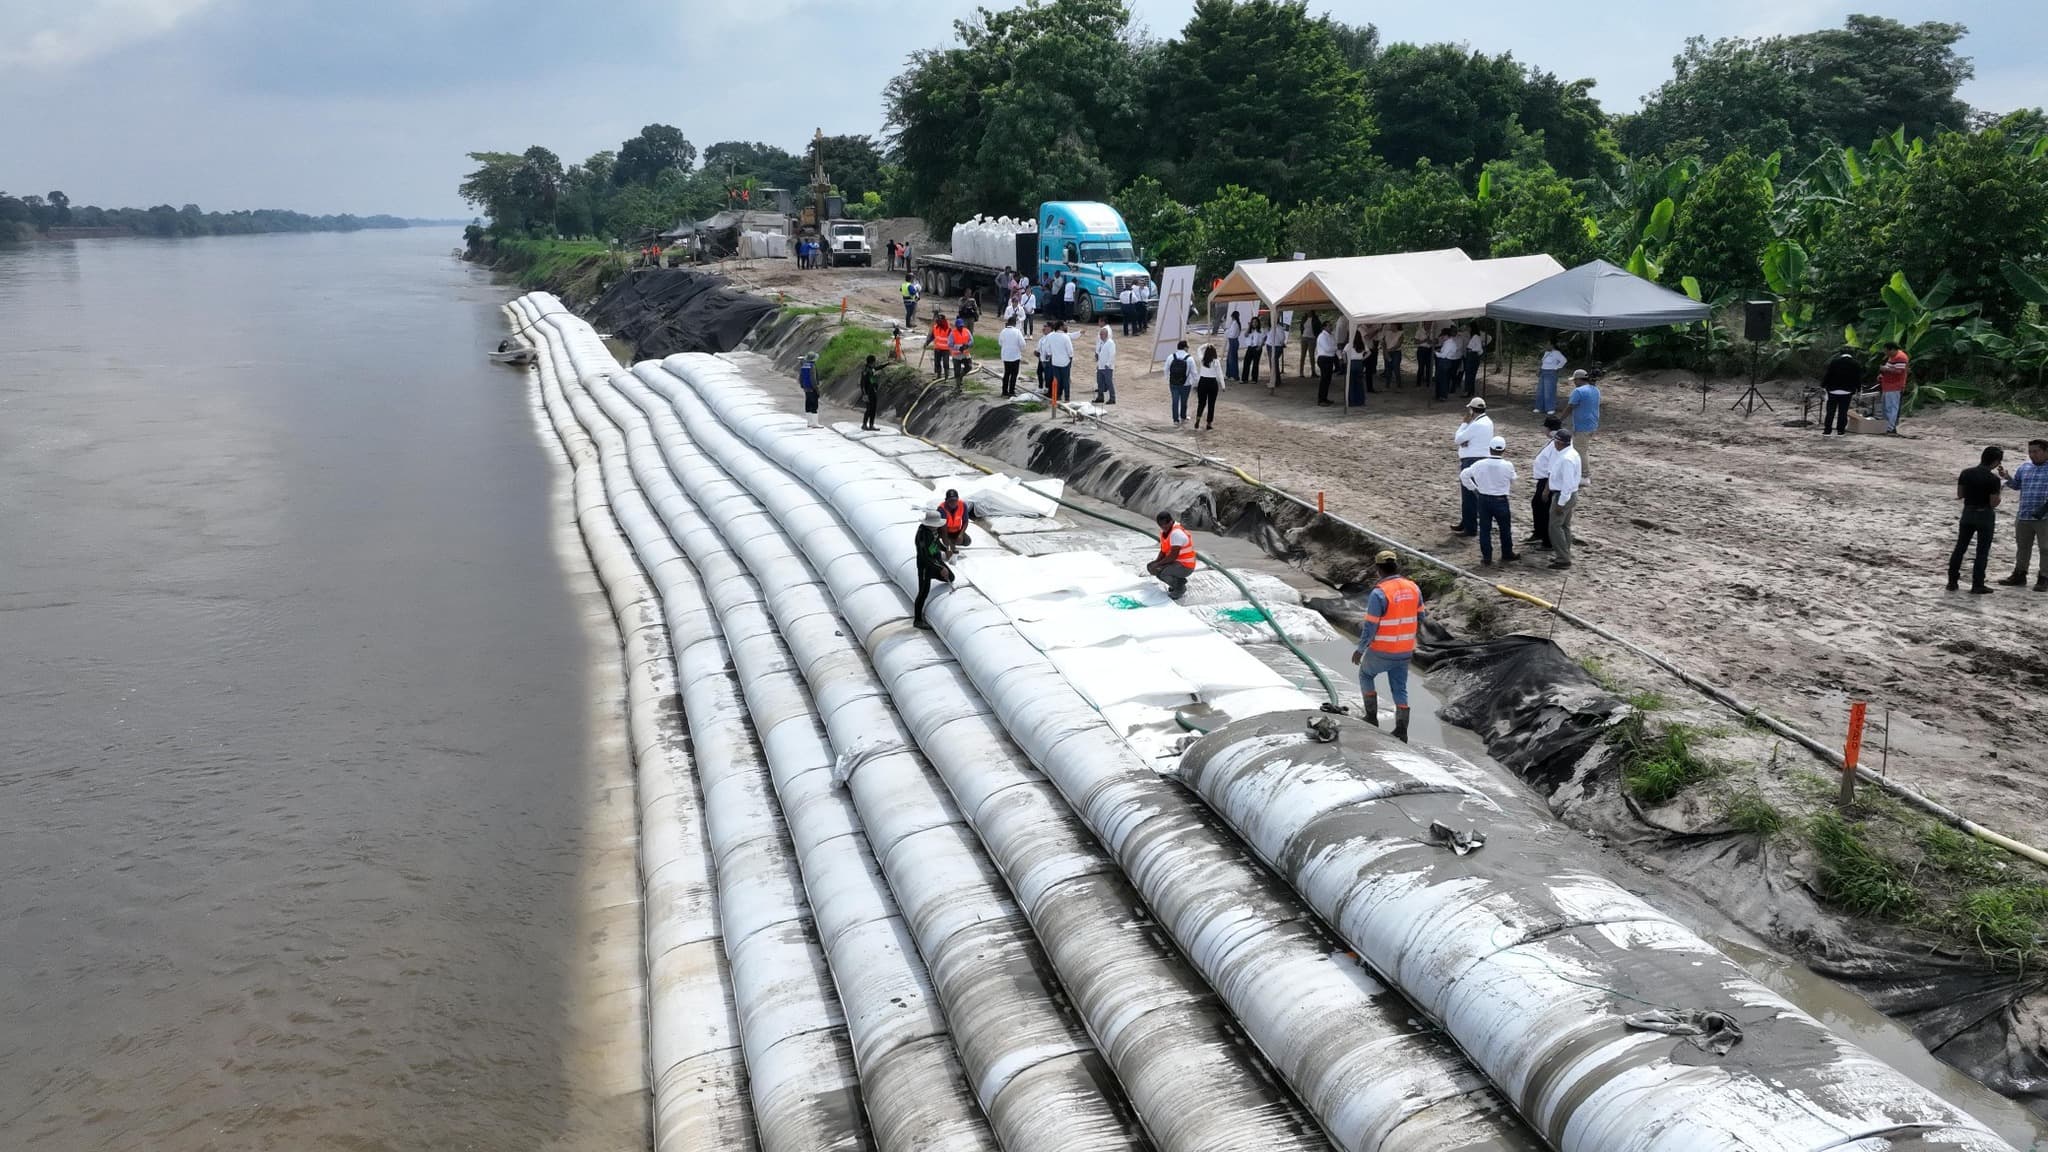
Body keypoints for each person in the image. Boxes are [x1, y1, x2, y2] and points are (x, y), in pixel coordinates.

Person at [1348, 550, 1425, 742]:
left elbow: (1370, 626)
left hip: (1382, 650)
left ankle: (1371, 717)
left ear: (1378, 569)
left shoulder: (1379, 593)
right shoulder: (1413, 588)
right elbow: (1421, 617)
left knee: (1366, 674)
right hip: (1405, 650)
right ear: (1396, 566)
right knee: (1399, 688)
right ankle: (1401, 730)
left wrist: (1360, 650)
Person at [1951, 446, 2005, 593]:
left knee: (1960, 548)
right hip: (1984, 514)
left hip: (1968, 512)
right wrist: (2000, 493)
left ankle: (1952, 581)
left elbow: (1960, 494)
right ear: (1995, 462)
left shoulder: (1966, 473)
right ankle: (1977, 584)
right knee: (1982, 551)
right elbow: (1993, 502)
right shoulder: (1993, 479)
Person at [1460, 436, 1518, 566]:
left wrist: (1474, 489)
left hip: (1484, 499)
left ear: (1490, 449)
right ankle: (1507, 553)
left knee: (1485, 529)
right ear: (1504, 450)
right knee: (1505, 528)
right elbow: (1513, 479)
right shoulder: (1508, 465)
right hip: (1501, 500)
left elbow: (1464, 475)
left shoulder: (1479, 464)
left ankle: (1487, 557)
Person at [1998, 439, 2048, 589]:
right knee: (2023, 546)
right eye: (2030, 451)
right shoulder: (2025, 467)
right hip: (2024, 514)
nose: (2032, 455)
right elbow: (2017, 485)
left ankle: (2044, 577)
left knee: (2046, 548)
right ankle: (2019, 574)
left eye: (2036, 451)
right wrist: (2007, 477)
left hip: (2045, 516)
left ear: (2046, 451)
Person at [1452, 398, 1494, 536]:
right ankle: (1466, 522)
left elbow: (1458, 439)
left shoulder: (1476, 424)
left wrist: (1464, 424)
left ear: (1472, 410)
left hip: (1471, 461)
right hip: (1479, 459)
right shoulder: (1486, 422)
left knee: (1468, 495)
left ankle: (1470, 527)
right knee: (1471, 494)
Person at [1525, 416, 1563, 550]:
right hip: (1544, 480)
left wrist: (1547, 488)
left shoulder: (1555, 444)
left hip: (1547, 481)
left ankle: (1547, 540)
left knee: (1544, 508)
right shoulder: (1554, 441)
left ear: (1548, 428)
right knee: (1537, 505)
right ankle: (1539, 532)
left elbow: (1552, 467)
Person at [1547, 430, 1583, 569]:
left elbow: (1567, 484)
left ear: (1560, 442)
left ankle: (1563, 558)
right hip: (1569, 494)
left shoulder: (1566, 459)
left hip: (1563, 496)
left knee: (1555, 527)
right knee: (1564, 526)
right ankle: (1565, 554)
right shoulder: (1571, 454)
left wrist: (1561, 503)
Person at [912, 510, 954, 629]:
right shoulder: (922, 535)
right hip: (926, 565)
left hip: (935, 561)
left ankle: (934, 574)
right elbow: (925, 556)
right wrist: (940, 568)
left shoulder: (933, 531)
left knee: (950, 577)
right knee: (923, 592)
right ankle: (918, 620)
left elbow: (936, 543)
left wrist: (945, 549)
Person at [1147, 511, 1197, 600]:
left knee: (1161, 573)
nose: (1163, 527)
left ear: (1171, 522)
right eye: (1161, 525)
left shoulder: (1176, 533)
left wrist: (1158, 564)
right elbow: (1163, 551)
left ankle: (1180, 588)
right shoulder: (1165, 532)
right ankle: (1178, 582)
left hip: (1185, 566)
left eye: (1165, 525)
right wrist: (1155, 562)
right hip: (1176, 562)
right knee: (1152, 567)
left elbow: (1172, 556)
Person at [1564, 369, 1601, 470]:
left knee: (1580, 451)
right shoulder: (1595, 390)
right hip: (1592, 424)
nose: (1574, 382)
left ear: (1580, 379)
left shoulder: (1578, 391)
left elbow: (1570, 407)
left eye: (1575, 380)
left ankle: (1584, 475)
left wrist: (1560, 419)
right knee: (1582, 449)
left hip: (1582, 425)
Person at [1820, 347, 1860, 436]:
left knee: (1830, 411)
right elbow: (1857, 378)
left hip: (1833, 390)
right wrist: (1858, 389)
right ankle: (1840, 431)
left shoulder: (1834, 362)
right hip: (1847, 391)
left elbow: (1828, 375)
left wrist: (1823, 386)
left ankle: (1827, 430)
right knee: (1843, 412)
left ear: (1840, 353)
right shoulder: (1855, 363)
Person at [1039, 320, 1074, 403]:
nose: (1066, 327)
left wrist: (1051, 354)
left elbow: (1047, 349)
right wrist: (1070, 358)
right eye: (1064, 325)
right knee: (1065, 380)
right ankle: (1067, 397)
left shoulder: (1051, 336)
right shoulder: (1065, 337)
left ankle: (1057, 396)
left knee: (1056, 380)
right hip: (1065, 361)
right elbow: (1070, 351)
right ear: (1061, 326)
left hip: (1055, 361)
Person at [1879, 342, 1910, 433]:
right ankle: (1886, 425)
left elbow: (1899, 371)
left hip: (1895, 386)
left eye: (1886, 351)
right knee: (1885, 407)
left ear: (1892, 349)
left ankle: (1890, 427)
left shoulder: (1900, 357)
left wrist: (1885, 369)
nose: (1886, 354)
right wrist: (1882, 375)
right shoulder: (1892, 357)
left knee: (1891, 407)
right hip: (1887, 385)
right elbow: (1890, 366)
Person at [1194, 343, 1224, 430]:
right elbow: (1220, 374)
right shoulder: (1216, 361)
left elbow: (1198, 349)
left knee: (1201, 403)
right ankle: (1209, 424)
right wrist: (1223, 385)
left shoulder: (1202, 360)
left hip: (1203, 382)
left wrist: (1206, 344)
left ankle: (1198, 419)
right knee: (1211, 404)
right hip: (1212, 383)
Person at [937, 488, 976, 553]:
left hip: (956, 531)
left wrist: (960, 535)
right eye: (950, 500)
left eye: (955, 500)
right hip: (943, 531)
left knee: (967, 541)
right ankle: (946, 542)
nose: (953, 503)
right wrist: (949, 547)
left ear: (958, 499)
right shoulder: (942, 509)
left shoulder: (963, 505)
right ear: (946, 500)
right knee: (945, 543)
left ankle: (951, 541)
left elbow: (965, 521)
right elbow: (943, 530)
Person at [1166, 339, 1194, 424]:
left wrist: (1168, 379)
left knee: (1175, 401)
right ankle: (1183, 416)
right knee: (1184, 401)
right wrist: (1195, 382)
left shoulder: (1171, 357)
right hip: (1186, 383)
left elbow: (1166, 369)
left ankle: (1175, 419)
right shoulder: (1189, 359)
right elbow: (1194, 372)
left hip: (1173, 383)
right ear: (1185, 348)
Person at [998, 315, 1025, 398]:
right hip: (1015, 356)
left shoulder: (1003, 331)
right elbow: (1023, 344)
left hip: (1006, 356)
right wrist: (1020, 349)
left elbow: (1000, 343)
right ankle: (1011, 391)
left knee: (1006, 373)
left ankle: (1004, 391)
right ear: (1015, 323)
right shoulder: (1017, 332)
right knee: (1014, 374)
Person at [1537, 340, 1567, 415]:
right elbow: (1543, 362)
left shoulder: (1557, 353)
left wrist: (1556, 368)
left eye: (1547, 344)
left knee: (1549, 391)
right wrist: (1539, 370)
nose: (1546, 346)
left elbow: (1564, 360)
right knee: (1540, 390)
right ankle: (1539, 407)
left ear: (1552, 345)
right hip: (1543, 372)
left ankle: (1550, 408)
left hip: (1551, 373)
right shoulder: (1546, 352)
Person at [1314, 320, 1340, 406]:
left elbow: (1333, 347)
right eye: (1329, 326)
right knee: (1324, 380)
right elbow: (1327, 348)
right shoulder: (1322, 336)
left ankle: (1324, 398)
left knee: (1327, 380)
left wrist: (1337, 352)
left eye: (1331, 325)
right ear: (1324, 327)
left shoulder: (1331, 336)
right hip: (1324, 358)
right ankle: (1321, 400)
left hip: (1330, 358)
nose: (1331, 327)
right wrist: (1335, 348)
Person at [1435, 329, 1463, 401]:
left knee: (1443, 379)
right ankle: (1440, 394)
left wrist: (1436, 353)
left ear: (1447, 336)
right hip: (1447, 361)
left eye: (1443, 336)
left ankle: (1442, 395)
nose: (1442, 337)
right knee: (1441, 378)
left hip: (1445, 361)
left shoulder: (1449, 343)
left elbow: (1444, 355)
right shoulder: (1449, 342)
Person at [1094, 325, 1118, 403]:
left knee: (1109, 383)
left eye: (1102, 334)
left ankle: (1112, 398)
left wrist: (1108, 364)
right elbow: (1099, 353)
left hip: (1107, 367)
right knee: (1099, 382)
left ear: (1106, 335)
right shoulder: (1101, 343)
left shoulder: (1110, 343)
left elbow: (1112, 354)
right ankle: (1100, 397)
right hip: (1100, 366)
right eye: (1100, 334)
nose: (1100, 336)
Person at [1464, 323, 1487, 398]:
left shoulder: (1475, 337)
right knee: (1470, 374)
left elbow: (1479, 349)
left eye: (1468, 327)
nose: (1467, 329)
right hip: (1472, 356)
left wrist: (1471, 350)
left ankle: (1468, 391)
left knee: (1469, 374)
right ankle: (1470, 391)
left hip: (1472, 356)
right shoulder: (1475, 337)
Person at [859, 354, 881, 431]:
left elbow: (878, 368)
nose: (875, 363)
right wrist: (864, 394)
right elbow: (862, 383)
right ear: (872, 362)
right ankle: (864, 424)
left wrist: (887, 363)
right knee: (869, 409)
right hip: (868, 393)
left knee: (873, 409)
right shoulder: (866, 370)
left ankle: (871, 425)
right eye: (874, 361)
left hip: (873, 391)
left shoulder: (871, 369)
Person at [928, 314, 953, 381]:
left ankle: (946, 377)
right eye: (937, 320)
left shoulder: (948, 329)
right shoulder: (935, 327)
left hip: (946, 349)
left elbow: (952, 339)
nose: (938, 322)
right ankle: (938, 376)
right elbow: (932, 336)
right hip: (937, 349)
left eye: (939, 320)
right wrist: (927, 342)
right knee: (937, 363)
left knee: (945, 363)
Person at [1242, 316, 1264, 386]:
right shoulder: (1250, 330)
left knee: (1255, 364)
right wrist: (1249, 327)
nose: (1254, 323)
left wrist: (1260, 347)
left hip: (1257, 347)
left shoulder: (1261, 330)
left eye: (1255, 322)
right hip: (1250, 348)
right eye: (1253, 322)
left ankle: (1254, 379)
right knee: (1246, 363)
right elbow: (1245, 335)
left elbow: (1263, 340)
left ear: (1258, 323)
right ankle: (1244, 379)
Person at [799, 354, 820, 427]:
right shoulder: (812, 366)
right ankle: (815, 423)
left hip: (806, 388)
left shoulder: (804, 365)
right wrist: (816, 389)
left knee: (808, 404)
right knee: (814, 405)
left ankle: (809, 422)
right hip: (812, 388)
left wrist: (802, 386)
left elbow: (801, 377)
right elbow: (813, 379)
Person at [1268, 313, 1289, 385]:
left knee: (1274, 363)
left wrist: (1279, 343)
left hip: (1276, 347)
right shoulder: (1272, 327)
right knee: (1273, 364)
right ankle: (1276, 380)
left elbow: (1282, 338)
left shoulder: (1279, 328)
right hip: (1271, 346)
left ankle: (1276, 381)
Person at [1381, 324, 1404, 390]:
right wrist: (1386, 352)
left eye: (1393, 325)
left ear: (1397, 326)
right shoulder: (1387, 332)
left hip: (1396, 352)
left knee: (1396, 368)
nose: (1391, 326)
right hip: (1387, 352)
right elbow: (1383, 343)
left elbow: (1399, 344)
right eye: (1391, 325)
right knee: (1388, 368)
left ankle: (1398, 386)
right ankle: (1387, 385)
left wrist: (1390, 350)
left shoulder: (1401, 333)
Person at [1414, 323, 1434, 395]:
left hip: (1429, 350)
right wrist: (1424, 340)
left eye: (1430, 324)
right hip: (1421, 349)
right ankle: (1418, 383)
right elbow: (1415, 341)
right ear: (1424, 324)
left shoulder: (1433, 331)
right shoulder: (1419, 331)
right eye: (1427, 324)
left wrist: (1430, 341)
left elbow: (1436, 341)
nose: (1428, 325)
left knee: (1429, 367)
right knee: (1421, 367)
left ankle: (1428, 383)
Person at [1223, 311, 1242, 381]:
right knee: (1229, 359)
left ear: (1232, 316)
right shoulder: (1235, 323)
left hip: (1233, 341)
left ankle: (1234, 376)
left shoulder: (1235, 324)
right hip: (1232, 341)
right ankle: (1229, 374)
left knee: (1232, 359)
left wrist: (1226, 331)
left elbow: (1232, 334)